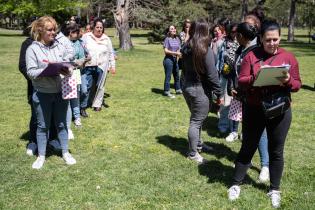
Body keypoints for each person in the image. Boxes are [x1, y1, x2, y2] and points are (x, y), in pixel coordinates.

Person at [227, 20, 302, 208]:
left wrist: (287, 80)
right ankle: (236, 184)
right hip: (254, 108)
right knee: (248, 147)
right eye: (268, 40)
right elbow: (242, 80)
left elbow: (297, 85)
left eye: (275, 39)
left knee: (276, 151)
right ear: (261, 39)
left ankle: (274, 189)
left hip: (280, 110)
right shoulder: (251, 56)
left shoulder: (289, 57)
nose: (272, 43)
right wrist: (257, 77)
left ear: (280, 38)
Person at [26, 16, 76, 169]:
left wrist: (67, 69)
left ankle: (65, 152)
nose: (53, 32)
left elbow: (67, 63)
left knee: (61, 124)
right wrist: (47, 71)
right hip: (42, 93)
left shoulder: (59, 46)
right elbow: (31, 72)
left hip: (61, 92)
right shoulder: (32, 49)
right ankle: (41, 156)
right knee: (42, 126)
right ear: (40, 30)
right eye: (50, 29)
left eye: (54, 29)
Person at [181, 19, 222, 163]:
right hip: (199, 88)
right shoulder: (205, 50)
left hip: (187, 86)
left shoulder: (186, 47)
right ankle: (193, 154)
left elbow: (183, 68)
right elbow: (212, 75)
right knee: (196, 121)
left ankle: (198, 144)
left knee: (196, 118)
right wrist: (219, 93)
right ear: (205, 32)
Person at [80, 18, 115, 115]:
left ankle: (97, 104)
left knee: (100, 86)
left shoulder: (106, 39)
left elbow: (111, 53)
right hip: (88, 65)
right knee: (86, 86)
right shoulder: (86, 36)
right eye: (97, 27)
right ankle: (83, 105)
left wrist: (112, 66)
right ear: (93, 27)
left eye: (101, 27)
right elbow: (80, 48)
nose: (99, 29)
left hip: (102, 66)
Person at [216, 22, 239, 138]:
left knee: (236, 102)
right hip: (225, 74)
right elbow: (218, 59)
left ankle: (234, 127)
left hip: (237, 76)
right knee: (225, 102)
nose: (234, 33)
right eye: (232, 31)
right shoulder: (223, 43)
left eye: (236, 31)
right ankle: (223, 124)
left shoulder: (241, 42)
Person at [64, 23, 89, 127]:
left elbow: (82, 58)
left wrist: (82, 61)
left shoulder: (80, 43)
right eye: (77, 32)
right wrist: (77, 61)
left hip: (77, 72)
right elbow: (66, 59)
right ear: (70, 32)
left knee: (76, 96)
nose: (79, 34)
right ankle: (67, 118)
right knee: (68, 97)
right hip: (66, 73)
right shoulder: (64, 43)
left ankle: (77, 117)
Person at [162, 25, 182, 99]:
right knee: (168, 76)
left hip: (175, 60)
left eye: (174, 28)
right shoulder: (167, 39)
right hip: (168, 60)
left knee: (177, 75)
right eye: (171, 29)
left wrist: (179, 53)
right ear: (169, 31)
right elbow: (166, 51)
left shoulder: (177, 39)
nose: (174, 30)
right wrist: (175, 53)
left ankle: (178, 89)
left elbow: (178, 49)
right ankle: (166, 91)